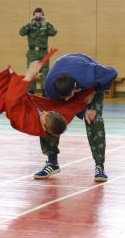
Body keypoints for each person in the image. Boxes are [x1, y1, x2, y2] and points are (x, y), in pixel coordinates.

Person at [33, 54, 118, 182]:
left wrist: (93, 92)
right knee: (49, 120)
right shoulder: (51, 88)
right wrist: (82, 111)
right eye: (63, 97)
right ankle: (52, 163)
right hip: (66, 74)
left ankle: (99, 166)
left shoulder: (90, 75)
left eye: (68, 95)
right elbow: (67, 104)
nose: (66, 100)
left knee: (94, 120)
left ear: (75, 87)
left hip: (91, 88)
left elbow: (113, 73)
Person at [19, 7, 58, 95]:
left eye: (39, 17)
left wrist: (47, 23)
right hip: (32, 52)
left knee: (45, 72)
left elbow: (54, 32)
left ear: (42, 16)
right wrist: (29, 23)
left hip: (43, 52)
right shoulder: (30, 26)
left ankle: (45, 92)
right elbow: (21, 33)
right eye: (36, 17)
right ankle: (31, 92)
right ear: (33, 16)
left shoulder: (45, 26)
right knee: (32, 72)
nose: (38, 19)